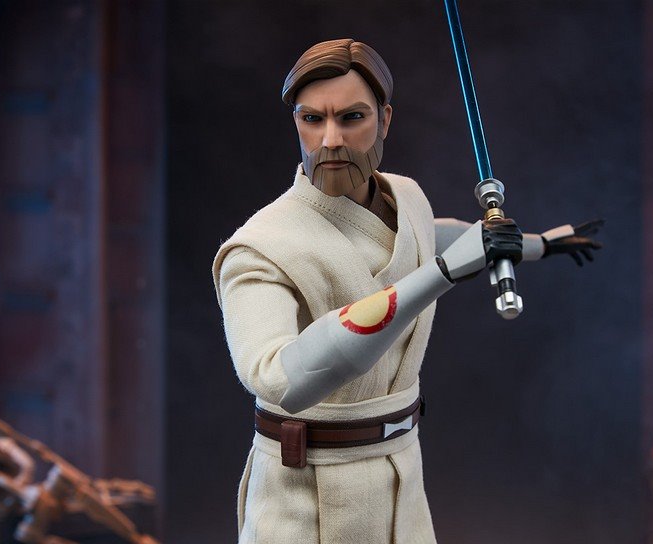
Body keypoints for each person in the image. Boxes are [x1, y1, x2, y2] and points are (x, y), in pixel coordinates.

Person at [212, 38, 602, 544]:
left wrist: (538, 244)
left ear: (385, 120)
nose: (331, 140)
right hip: (306, 494)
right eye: (312, 119)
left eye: (352, 117)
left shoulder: (405, 195)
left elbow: (429, 236)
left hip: (399, 476)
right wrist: (441, 274)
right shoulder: (260, 248)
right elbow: (279, 378)